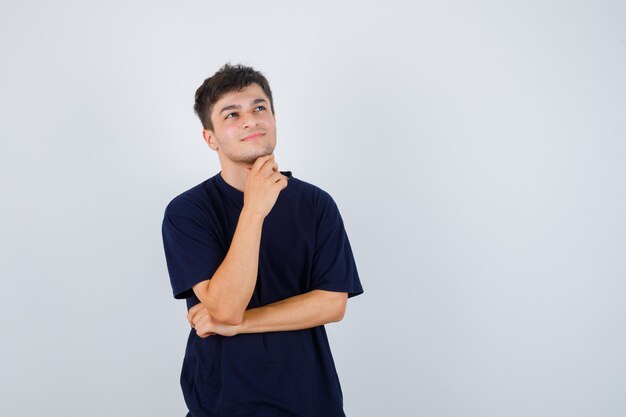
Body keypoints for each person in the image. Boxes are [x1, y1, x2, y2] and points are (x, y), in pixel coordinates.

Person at [161, 63, 364, 417]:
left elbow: (332, 304)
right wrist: (253, 210)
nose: (250, 120)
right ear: (211, 138)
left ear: (274, 119)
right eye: (232, 114)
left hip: (310, 400)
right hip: (222, 402)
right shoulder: (187, 212)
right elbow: (225, 306)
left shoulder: (316, 204)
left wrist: (234, 323)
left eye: (259, 108)